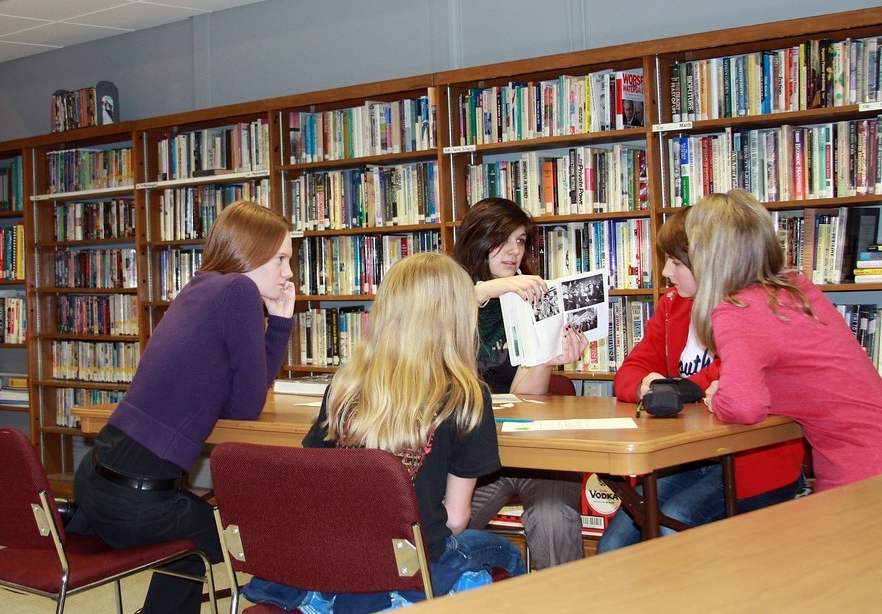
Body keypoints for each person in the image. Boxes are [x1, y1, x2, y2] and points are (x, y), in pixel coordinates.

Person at [247, 253, 526, 612]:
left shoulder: (344, 386)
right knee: (506, 553)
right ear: (457, 318)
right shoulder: (467, 396)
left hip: (334, 562)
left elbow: (317, 479)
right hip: (412, 565)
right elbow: (455, 519)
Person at [66, 200, 295, 614]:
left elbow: (227, 396)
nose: (288, 272)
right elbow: (245, 407)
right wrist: (279, 323)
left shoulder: (203, 284)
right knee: (242, 540)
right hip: (137, 506)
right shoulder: (239, 291)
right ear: (251, 251)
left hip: (93, 487)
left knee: (193, 538)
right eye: (280, 258)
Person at [598, 206, 805, 552]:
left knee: (674, 524)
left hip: (754, 460)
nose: (666, 272)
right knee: (616, 541)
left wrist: (677, 388)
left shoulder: (750, 309)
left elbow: (731, 374)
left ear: (706, 262)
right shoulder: (671, 307)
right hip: (689, 456)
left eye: (676, 263)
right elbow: (629, 372)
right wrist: (647, 385)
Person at [687, 189, 882, 492]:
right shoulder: (798, 289)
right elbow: (805, 378)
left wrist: (721, 398)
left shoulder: (737, 311)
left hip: (860, 474)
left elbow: (744, 407)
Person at [451, 197, 589, 570]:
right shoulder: (451, 292)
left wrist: (547, 356)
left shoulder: (531, 298)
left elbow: (522, 398)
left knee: (553, 519)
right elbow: (430, 324)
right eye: (504, 239)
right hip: (473, 455)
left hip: (532, 454)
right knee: (443, 530)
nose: (515, 250)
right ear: (478, 238)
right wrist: (489, 290)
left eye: (521, 240)